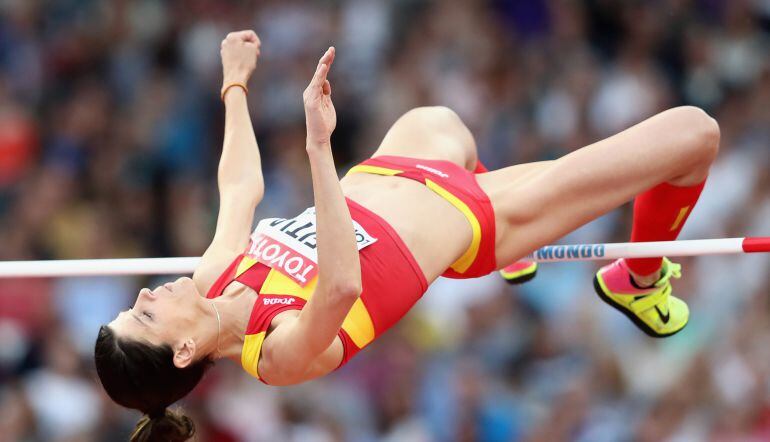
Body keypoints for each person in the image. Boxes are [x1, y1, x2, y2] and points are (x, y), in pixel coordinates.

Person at [94, 30, 719, 441]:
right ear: (181, 351)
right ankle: (637, 280)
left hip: (402, 166)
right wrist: (317, 146)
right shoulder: (275, 355)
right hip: (478, 222)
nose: (147, 295)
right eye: (144, 316)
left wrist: (234, 84)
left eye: (134, 304)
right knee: (693, 135)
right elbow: (340, 286)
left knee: (438, 118)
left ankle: (528, 253)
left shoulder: (214, 279)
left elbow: (239, 190)